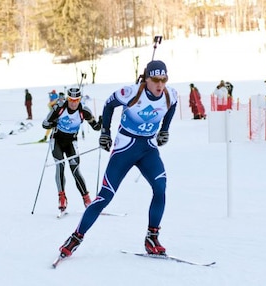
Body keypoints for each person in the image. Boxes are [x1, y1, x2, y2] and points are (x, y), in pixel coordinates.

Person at [57, 60, 178, 258]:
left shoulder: (169, 94)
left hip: (148, 148)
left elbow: (172, 106)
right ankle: (76, 237)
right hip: (125, 148)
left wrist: (165, 130)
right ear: (146, 79)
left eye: (164, 79)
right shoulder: (131, 92)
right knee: (105, 196)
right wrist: (105, 132)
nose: (160, 84)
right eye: (155, 79)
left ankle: (152, 237)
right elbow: (108, 104)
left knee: (161, 188)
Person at [42, 87, 102, 213]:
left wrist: (101, 123)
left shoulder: (84, 111)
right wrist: (53, 123)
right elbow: (45, 124)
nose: (73, 103)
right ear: (68, 99)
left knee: (75, 170)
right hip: (57, 141)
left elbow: (95, 127)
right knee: (60, 166)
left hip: (71, 143)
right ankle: (62, 197)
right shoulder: (59, 108)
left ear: (80, 99)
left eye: (76, 100)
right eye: (71, 99)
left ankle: (86, 199)